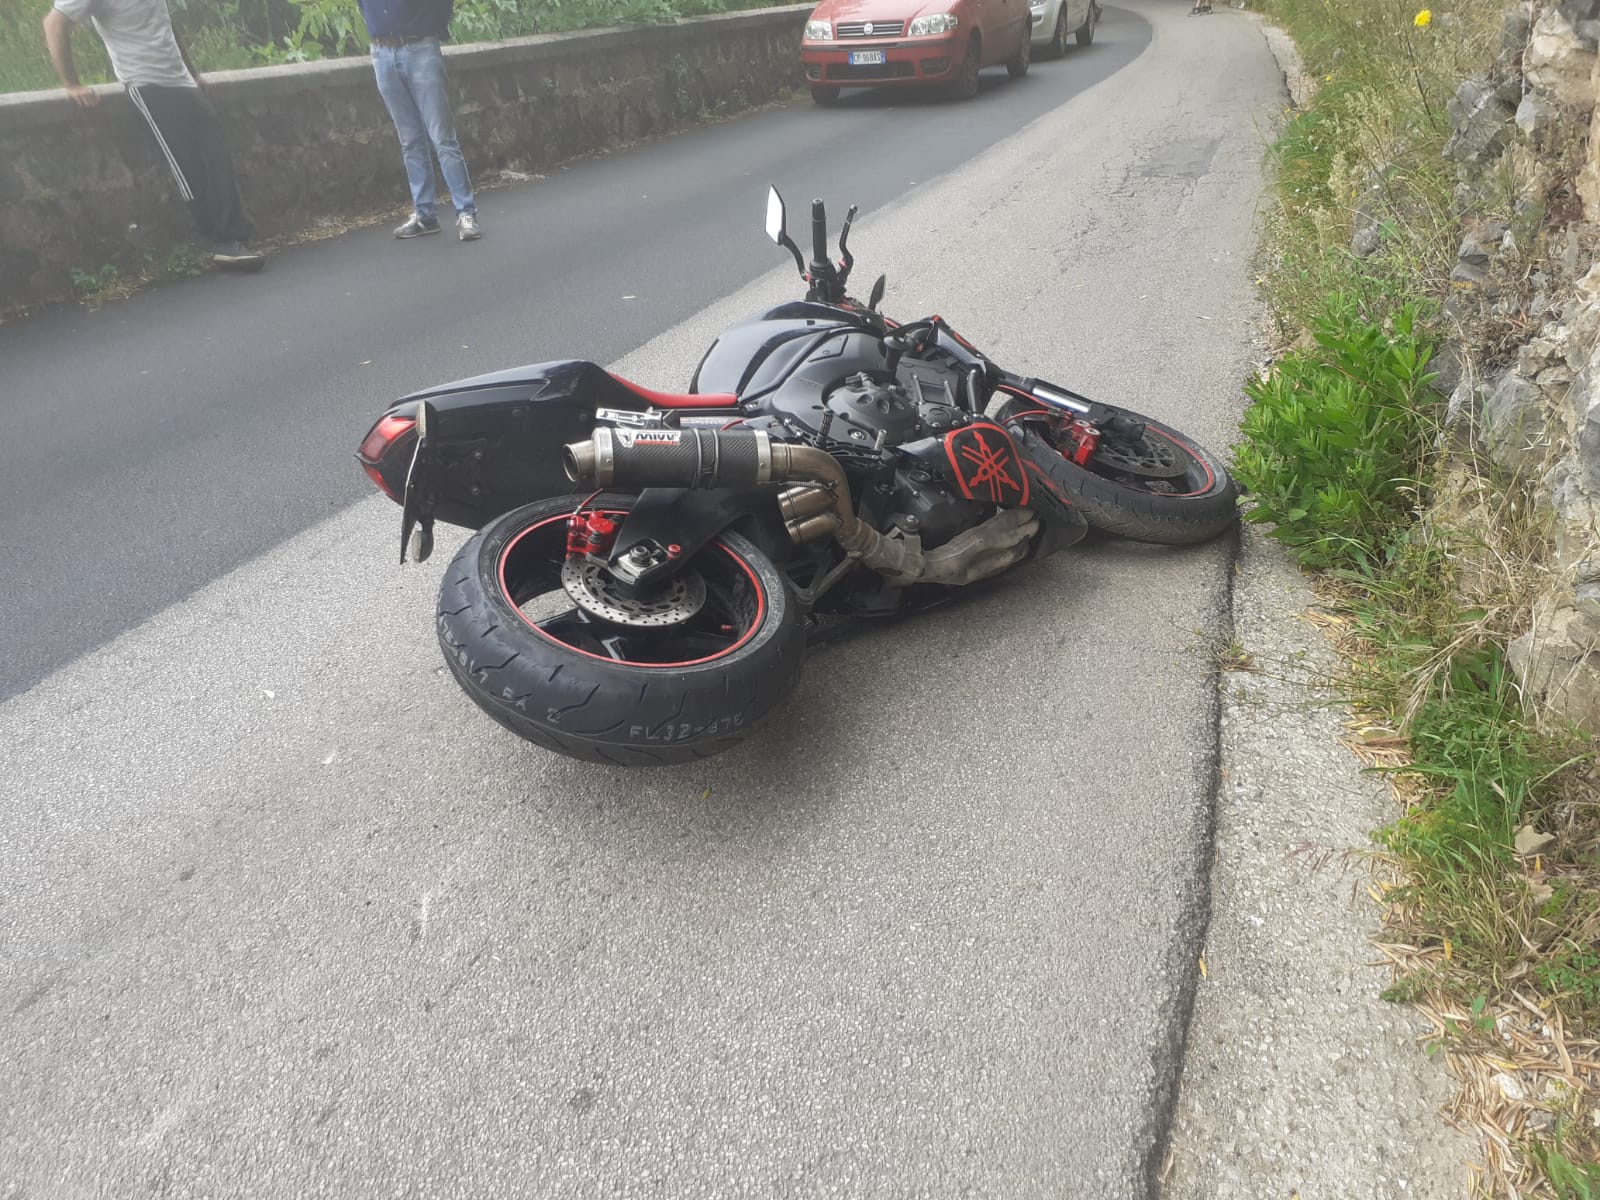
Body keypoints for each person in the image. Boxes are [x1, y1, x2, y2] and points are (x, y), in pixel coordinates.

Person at [42, 0, 265, 271]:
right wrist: (73, 84)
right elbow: (54, 23)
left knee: (218, 156)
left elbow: (166, 24)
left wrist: (192, 73)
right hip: (146, 84)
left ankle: (234, 238)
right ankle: (222, 242)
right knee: (187, 166)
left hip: (182, 82)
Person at [357, 0, 481, 242]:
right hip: (381, 52)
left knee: (442, 137)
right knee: (410, 141)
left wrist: (430, 28)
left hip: (420, 47)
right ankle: (425, 214)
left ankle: (466, 213)